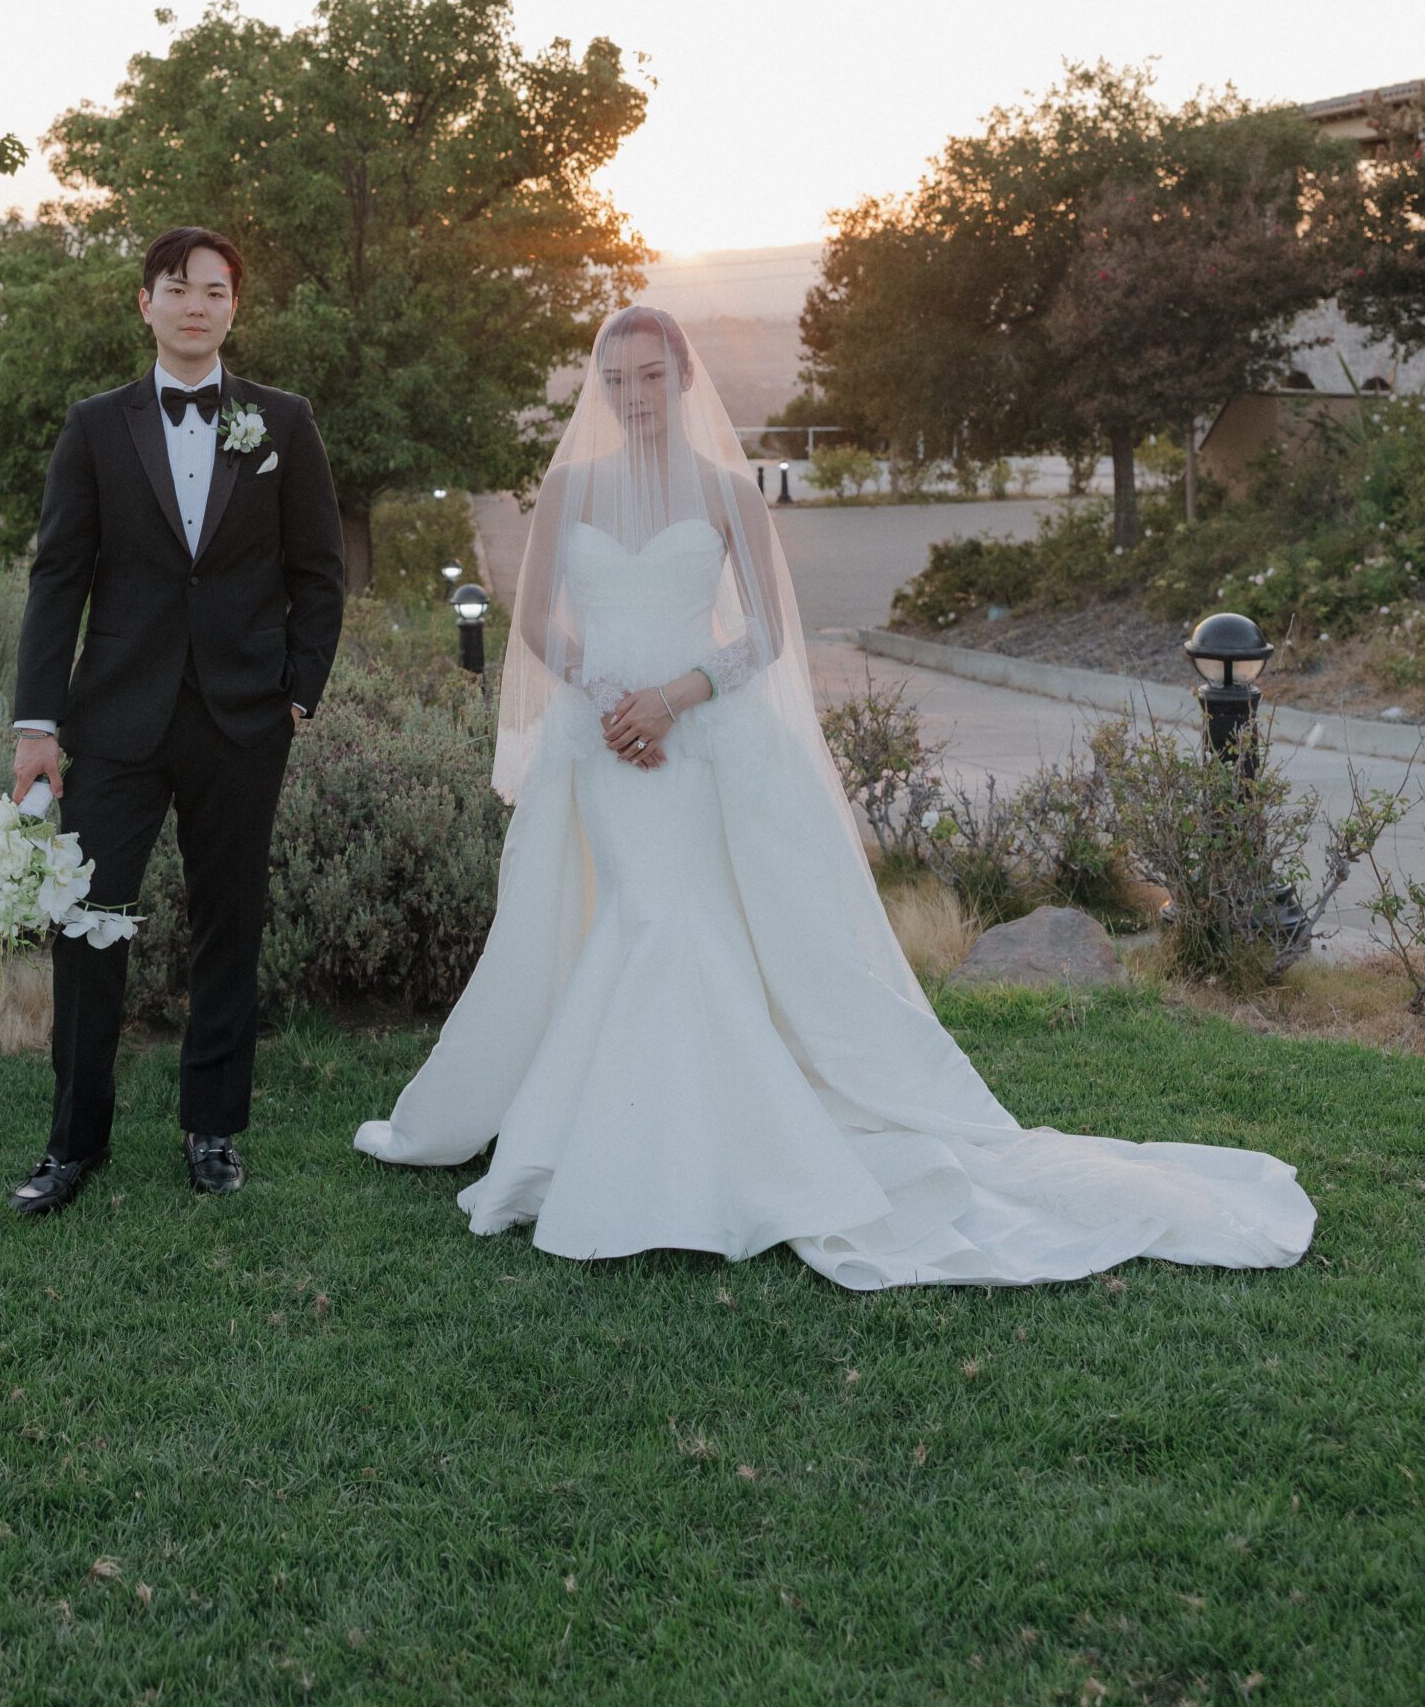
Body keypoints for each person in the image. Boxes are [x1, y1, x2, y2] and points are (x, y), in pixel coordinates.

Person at [354, 306, 1314, 1286]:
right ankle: (640, 1138)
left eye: (651, 375)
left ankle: (678, 1151)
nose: (634, 396)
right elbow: (534, 621)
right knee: (647, 915)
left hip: (698, 740)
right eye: (616, 378)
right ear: (597, 386)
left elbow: (768, 631)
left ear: (684, 377)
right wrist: (608, 699)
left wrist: (676, 696)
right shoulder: (571, 486)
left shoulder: (728, 489)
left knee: (675, 921)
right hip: (606, 744)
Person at [7, 226, 345, 1216]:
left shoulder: (284, 420)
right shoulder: (95, 426)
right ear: (145, 303)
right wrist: (38, 723)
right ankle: (73, 1144)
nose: (197, 305)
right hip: (115, 719)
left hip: (244, 720)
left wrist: (299, 687)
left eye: (216, 291)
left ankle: (214, 1132)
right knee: (89, 922)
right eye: (177, 288)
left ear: (233, 307)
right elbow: (57, 577)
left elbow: (318, 573)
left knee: (226, 925)